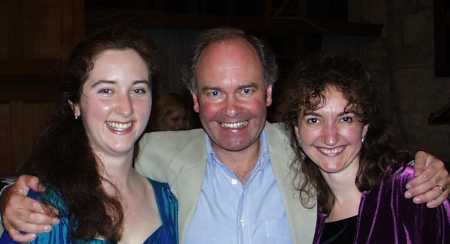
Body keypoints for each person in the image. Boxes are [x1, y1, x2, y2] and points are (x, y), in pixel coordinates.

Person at [2, 28, 449, 244]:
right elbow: (78, 159)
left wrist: (427, 169)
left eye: (246, 90)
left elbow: (352, 145)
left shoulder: (305, 149)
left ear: (270, 94)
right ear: (194, 99)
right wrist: (8, 196)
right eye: (215, 92)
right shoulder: (155, 154)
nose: (231, 109)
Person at [0, 28, 178, 243]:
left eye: (138, 90)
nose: (126, 108)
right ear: (75, 105)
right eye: (106, 90)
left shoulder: (168, 199)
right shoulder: (42, 208)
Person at [285, 55, 450, 243]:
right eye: (314, 120)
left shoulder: (412, 189)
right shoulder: (306, 216)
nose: (330, 137)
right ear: (297, 132)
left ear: (364, 127)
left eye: (345, 118)